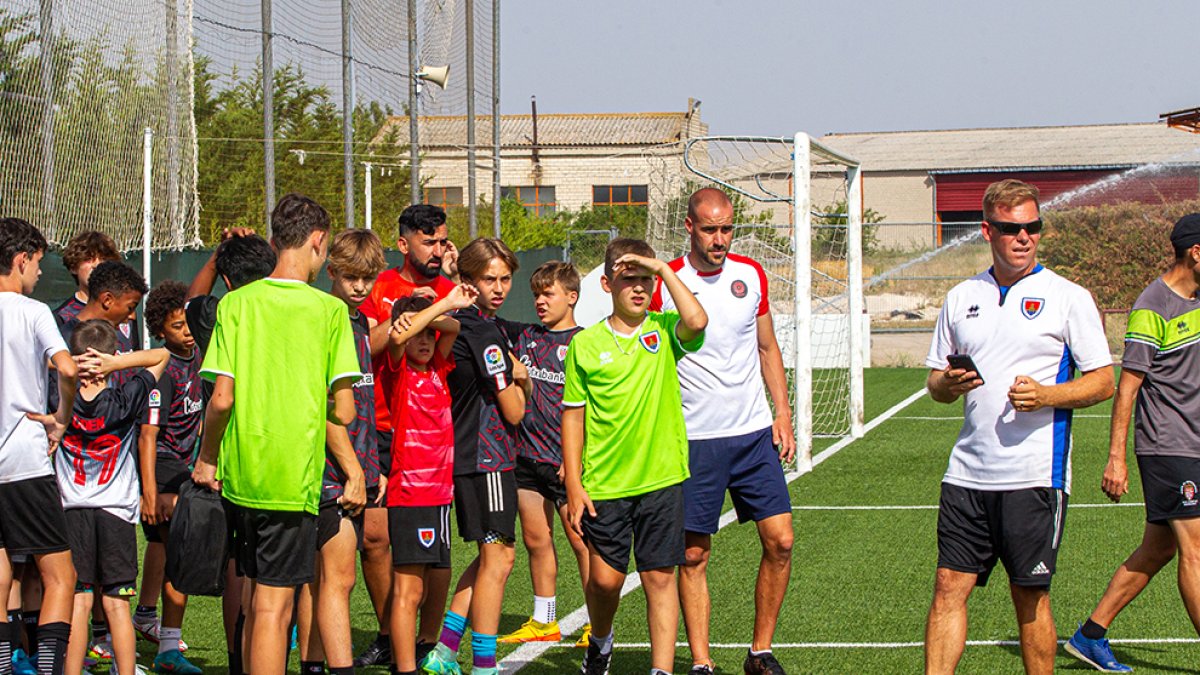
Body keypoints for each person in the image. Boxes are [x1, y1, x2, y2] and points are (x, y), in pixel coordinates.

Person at [923, 179, 1114, 675]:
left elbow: (1103, 382)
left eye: (1033, 226)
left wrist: (1047, 395)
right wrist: (948, 382)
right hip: (967, 473)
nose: (1024, 237)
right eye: (1012, 228)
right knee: (948, 585)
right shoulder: (962, 295)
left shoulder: (1068, 297)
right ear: (987, 230)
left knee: (1029, 596)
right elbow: (934, 386)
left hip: (1034, 476)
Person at [191, 193, 364, 675]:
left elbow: (221, 398)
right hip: (294, 479)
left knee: (252, 597)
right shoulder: (330, 313)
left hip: (241, 476)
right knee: (274, 607)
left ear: (273, 241)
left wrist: (207, 458)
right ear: (318, 241)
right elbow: (345, 413)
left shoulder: (237, 304)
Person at [653, 188, 795, 675]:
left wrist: (783, 412)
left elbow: (767, 346)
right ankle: (701, 662)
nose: (720, 238)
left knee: (781, 541)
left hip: (754, 435)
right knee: (693, 554)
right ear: (689, 227)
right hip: (695, 440)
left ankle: (760, 651)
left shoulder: (750, 275)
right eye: (710, 229)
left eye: (727, 228)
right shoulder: (666, 281)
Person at [564, 238, 708, 675]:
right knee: (605, 581)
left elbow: (697, 321)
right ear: (607, 285)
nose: (639, 288)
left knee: (660, 579)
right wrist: (574, 483)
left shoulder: (664, 330)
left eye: (645, 279)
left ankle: (660, 670)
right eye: (630, 279)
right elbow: (573, 418)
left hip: (662, 479)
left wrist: (662, 269)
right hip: (606, 483)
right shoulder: (585, 345)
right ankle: (601, 640)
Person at [1064, 213, 1200, 673]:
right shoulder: (1152, 306)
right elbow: (1128, 387)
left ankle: (1090, 634)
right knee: (1196, 549)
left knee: (1159, 548)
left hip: (1193, 443)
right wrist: (1115, 458)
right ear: (1196, 254)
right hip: (1168, 445)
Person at [355, 204, 458, 669]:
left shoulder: (450, 290)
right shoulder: (379, 288)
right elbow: (370, 347)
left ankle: (426, 641)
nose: (436, 250)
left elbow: (457, 331)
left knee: (437, 553)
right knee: (375, 540)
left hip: (433, 453)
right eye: (427, 242)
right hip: (380, 428)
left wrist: (441, 300)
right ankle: (388, 632)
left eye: (441, 241)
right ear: (404, 244)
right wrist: (412, 314)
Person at [421, 238, 529, 675]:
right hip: (486, 458)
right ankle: (484, 665)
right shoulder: (483, 332)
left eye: (505, 278)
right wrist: (521, 378)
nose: (499, 287)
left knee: (492, 557)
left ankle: (445, 650)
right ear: (468, 281)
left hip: (470, 455)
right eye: (489, 279)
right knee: (499, 559)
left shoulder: (467, 321)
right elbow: (514, 410)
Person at [182, 227, 274, 674]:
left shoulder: (219, 314)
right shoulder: (290, 309)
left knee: (239, 560)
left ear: (229, 282)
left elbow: (191, 300)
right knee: (272, 567)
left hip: (226, 450)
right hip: (280, 447)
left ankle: (241, 659)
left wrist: (219, 257)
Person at [296, 229, 387, 675]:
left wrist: (372, 466)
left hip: (357, 466)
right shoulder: (326, 318)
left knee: (321, 581)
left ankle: (313, 666)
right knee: (338, 578)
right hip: (331, 471)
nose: (360, 286)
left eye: (368, 278)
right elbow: (328, 407)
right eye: (351, 276)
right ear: (331, 270)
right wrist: (353, 471)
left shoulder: (359, 323)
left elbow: (362, 401)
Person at [58, 322, 171, 675]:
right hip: (116, 514)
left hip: (71, 511)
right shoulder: (126, 397)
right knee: (117, 604)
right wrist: (114, 363)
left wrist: (72, 365)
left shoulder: (60, 396)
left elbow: (31, 358)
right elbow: (161, 355)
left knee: (79, 602)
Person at [380, 287, 476, 675]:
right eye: (419, 333)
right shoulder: (399, 370)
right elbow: (399, 338)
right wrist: (423, 314)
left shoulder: (438, 366)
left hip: (439, 495)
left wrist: (430, 314)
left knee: (433, 579)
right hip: (412, 494)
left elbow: (450, 327)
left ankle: (417, 656)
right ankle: (405, 668)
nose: (425, 341)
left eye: (428, 335)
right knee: (410, 590)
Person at [0, 217, 80, 675]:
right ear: (20, 259)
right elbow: (66, 369)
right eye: (36, 264)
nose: (37, 274)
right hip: (25, 460)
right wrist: (61, 418)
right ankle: (49, 668)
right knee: (60, 577)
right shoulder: (32, 311)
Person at [498, 262, 592, 647]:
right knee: (537, 540)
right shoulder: (524, 337)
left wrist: (577, 463)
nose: (539, 301)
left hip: (564, 462)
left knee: (582, 543)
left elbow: (594, 411)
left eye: (547, 293)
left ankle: (596, 621)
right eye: (536, 294)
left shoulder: (587, 342)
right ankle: (544, 619)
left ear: (571, 296)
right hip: (525, 458)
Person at [130, 281, 202, 674]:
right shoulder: (163, 370)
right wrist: (149, 492)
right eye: (177, 326)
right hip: (161, 464)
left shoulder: (201, 354)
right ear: (161, 331)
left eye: (189, 322)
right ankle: (168, 649)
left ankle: (145, 615)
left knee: (163, 543)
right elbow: (148, 435)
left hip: (184, 466)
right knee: (181, 542)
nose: (187, 331)